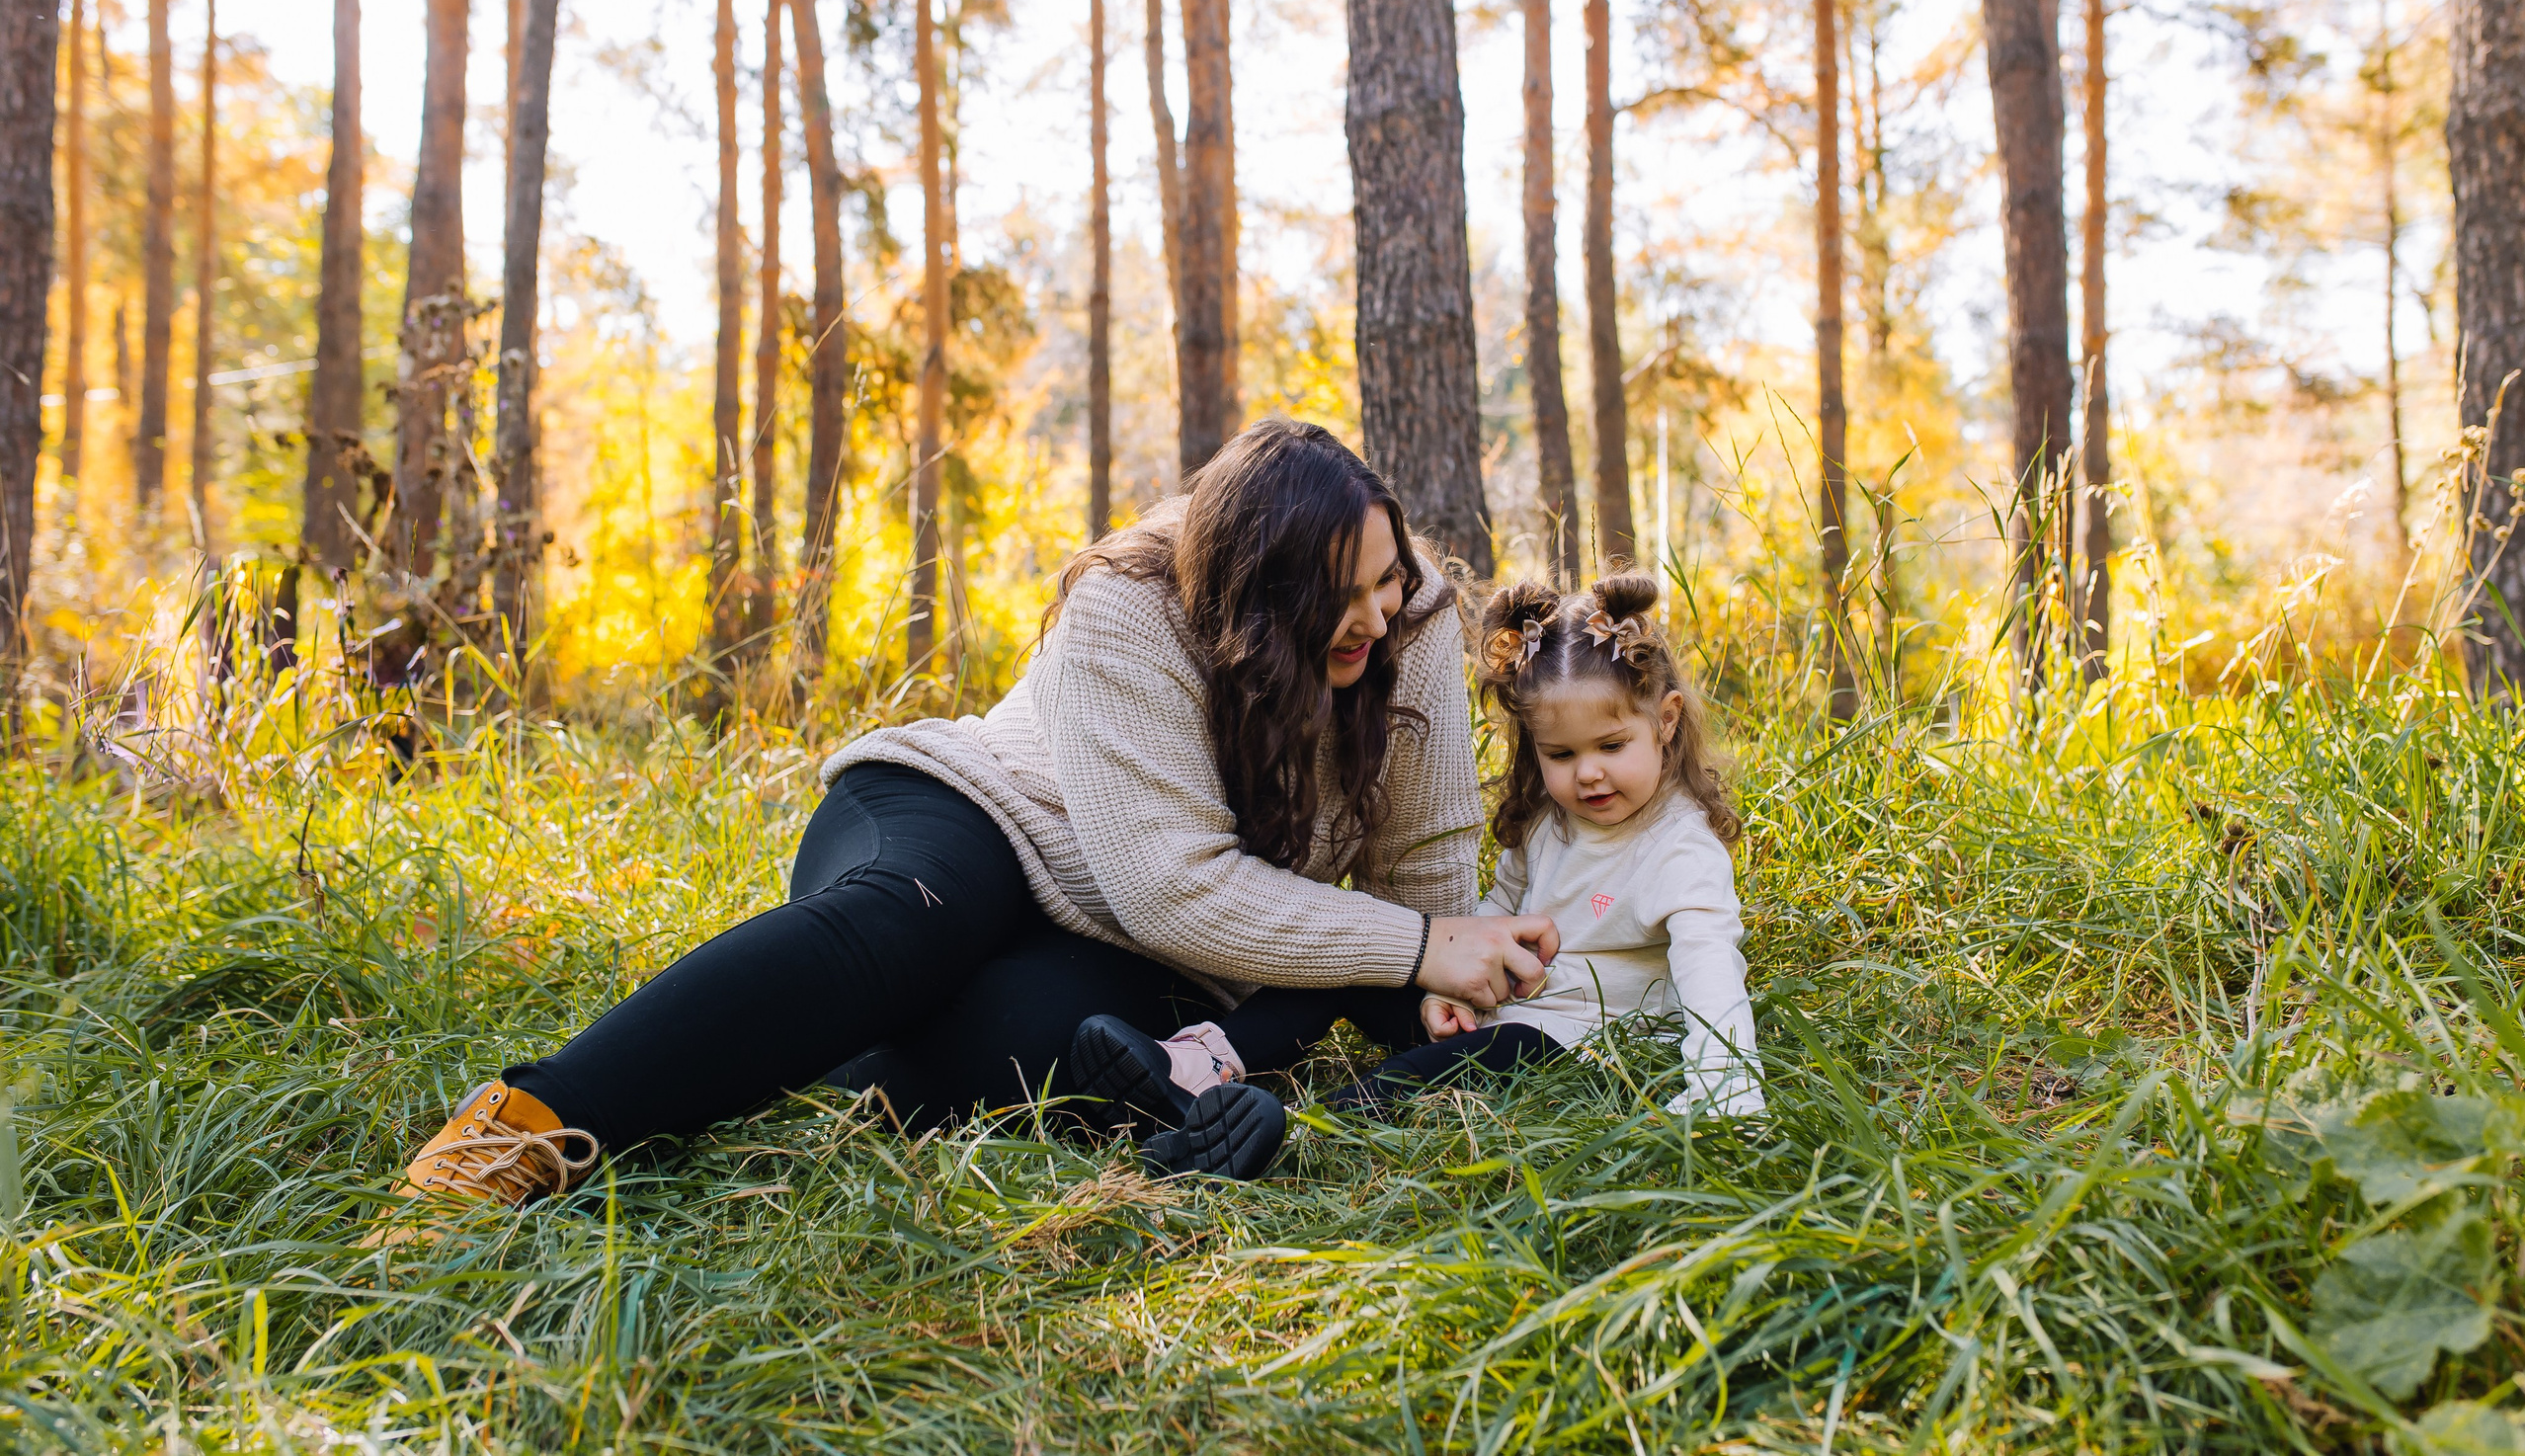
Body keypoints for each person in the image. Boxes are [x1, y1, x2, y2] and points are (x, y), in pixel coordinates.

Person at [384, 420, 1561, 1217]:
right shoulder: (1130, 604)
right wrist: (1413, 950)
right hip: (973, 820)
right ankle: (525, 1128)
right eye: (1334, 596)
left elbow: (1419, 861)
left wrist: (1438, 978)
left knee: (1031, 1057)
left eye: (1384, 580)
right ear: (1256, 592)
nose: (1370, 614)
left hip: (1131, 950)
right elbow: (1174, 885)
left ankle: (818, 1040)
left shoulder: (1411, 626)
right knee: (909, 925)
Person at [1071, 572, 1761, 1171]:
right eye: (1560, 753)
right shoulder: (1553, 820)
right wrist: (1449, 986)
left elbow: (1710, 969)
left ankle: (1289, 1138)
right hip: (1500, 1005)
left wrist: (1726, 1086)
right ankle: (1188, 1070)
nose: (1587, 772)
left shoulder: (1679, 849)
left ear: (1666, 720)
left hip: (1567, 1038)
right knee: (1350, 961)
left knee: (1426, 1072)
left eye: (1612, 744)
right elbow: (1498, 913)